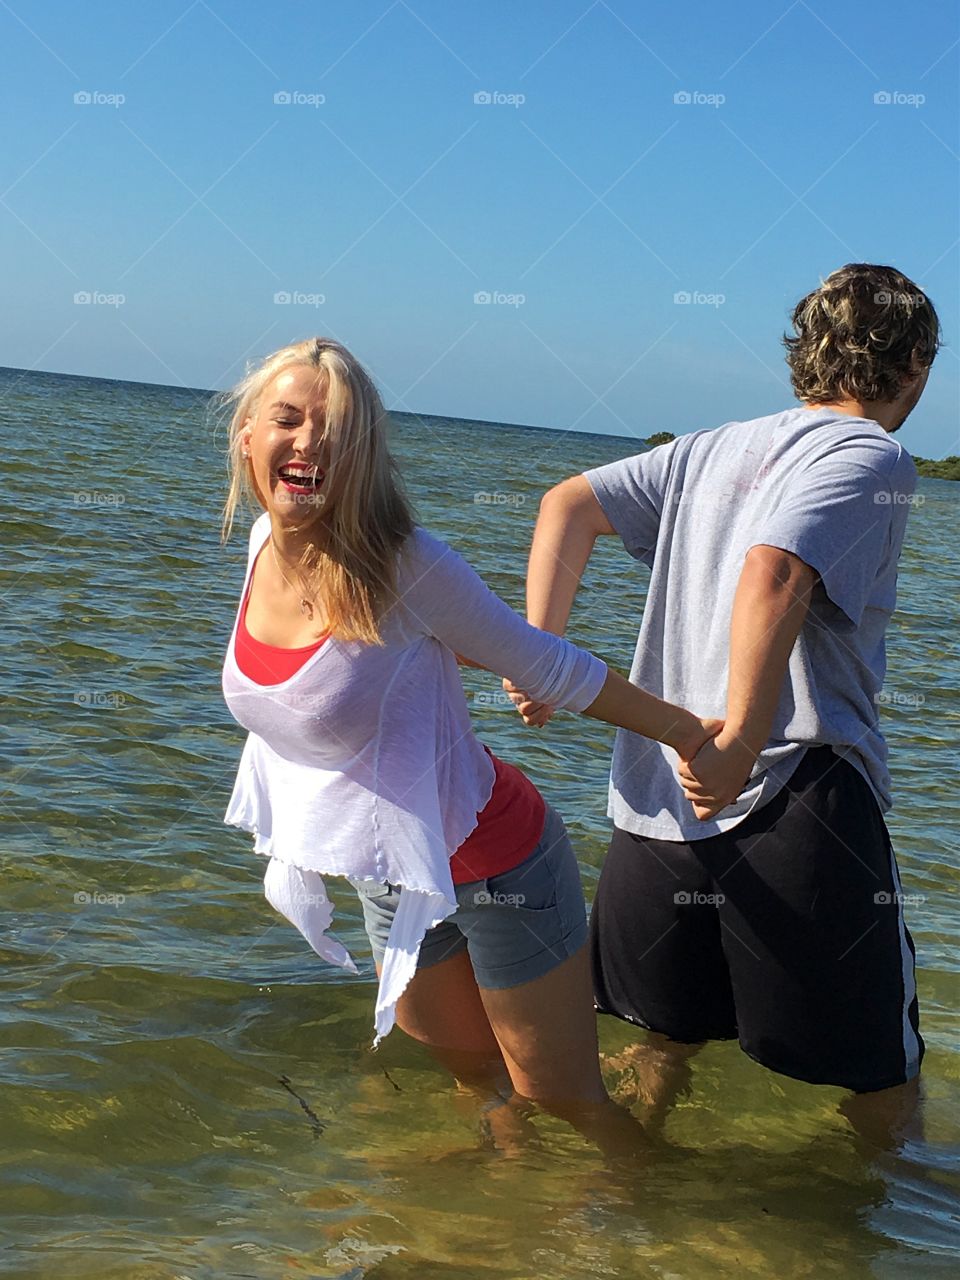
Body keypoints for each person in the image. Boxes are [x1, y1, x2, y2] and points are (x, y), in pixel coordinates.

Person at [217, 337, 719, 1141]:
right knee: (474, 1081)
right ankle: (489, 1236)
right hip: (390, 873)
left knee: (568, 1106)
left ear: (363, 460)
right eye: (287, 419)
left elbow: (544, 662)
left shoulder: (405, 568)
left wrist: (686, 733)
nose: (309, 442)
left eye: (336, 431)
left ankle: (646, 1224)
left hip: (500, 861)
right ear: (247, 434)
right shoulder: (256, 552)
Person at [506, 263, 940, 1121]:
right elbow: (773, 571)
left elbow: (566, 506)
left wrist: (542, 657)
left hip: (659, 808)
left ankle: (613, 1224)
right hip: (795, 800)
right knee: (881, 1081)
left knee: (654, 1048)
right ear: (917, 363)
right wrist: (742, 736)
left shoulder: (711, 447)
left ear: (805, 351)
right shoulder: (874, 454)